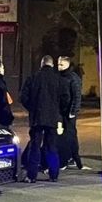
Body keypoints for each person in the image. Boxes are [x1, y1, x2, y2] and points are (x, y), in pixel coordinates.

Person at [19, 55, 68, 183]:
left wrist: (32, 108)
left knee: (35, 146)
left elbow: (23, 97)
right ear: (52, 65)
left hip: (37, 118)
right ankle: (54, 175)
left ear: (41, 64)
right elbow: (65, 98)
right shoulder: (59, 79)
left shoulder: (33, 78)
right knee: (51, 146)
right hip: (53, 118)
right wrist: (59, 112)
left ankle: (32, 175)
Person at [57, 56, 88, 170]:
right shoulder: (58, 77)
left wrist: (73, 111)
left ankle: (73, 158)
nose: (59, 66)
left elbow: (76, 96)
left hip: (69, 113)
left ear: (67, 65)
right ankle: (65, 158)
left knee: (70, 136)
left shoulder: (73, 78)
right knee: (60, 136)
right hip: (60, 112)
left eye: (61, 64)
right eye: (58, 64)